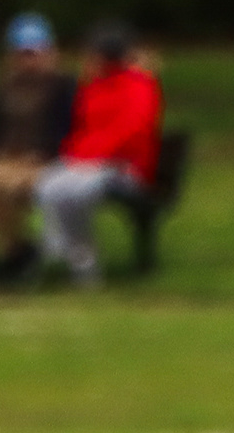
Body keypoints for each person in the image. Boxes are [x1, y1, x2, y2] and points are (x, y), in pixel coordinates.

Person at [33, 22, 160, 288]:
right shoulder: (93, 87)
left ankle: (83, 263)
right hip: (87, 163)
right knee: (48, 185)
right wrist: (76, 156)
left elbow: (131, 131)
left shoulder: (139, 86)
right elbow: (82, 128)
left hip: (125, 167)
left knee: (79, 192)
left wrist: (91, 157)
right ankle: (61, 250)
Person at [0, 13, 72, 289]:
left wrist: (47, 153)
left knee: (3, 187)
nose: (28, 59)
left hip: (40, 160)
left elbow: (67, 129)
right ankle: (16, 250)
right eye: (23, 53)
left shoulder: (63, 86)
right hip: (5, 158)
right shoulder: (3, 86)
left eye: (34, 53)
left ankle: (14, 257)